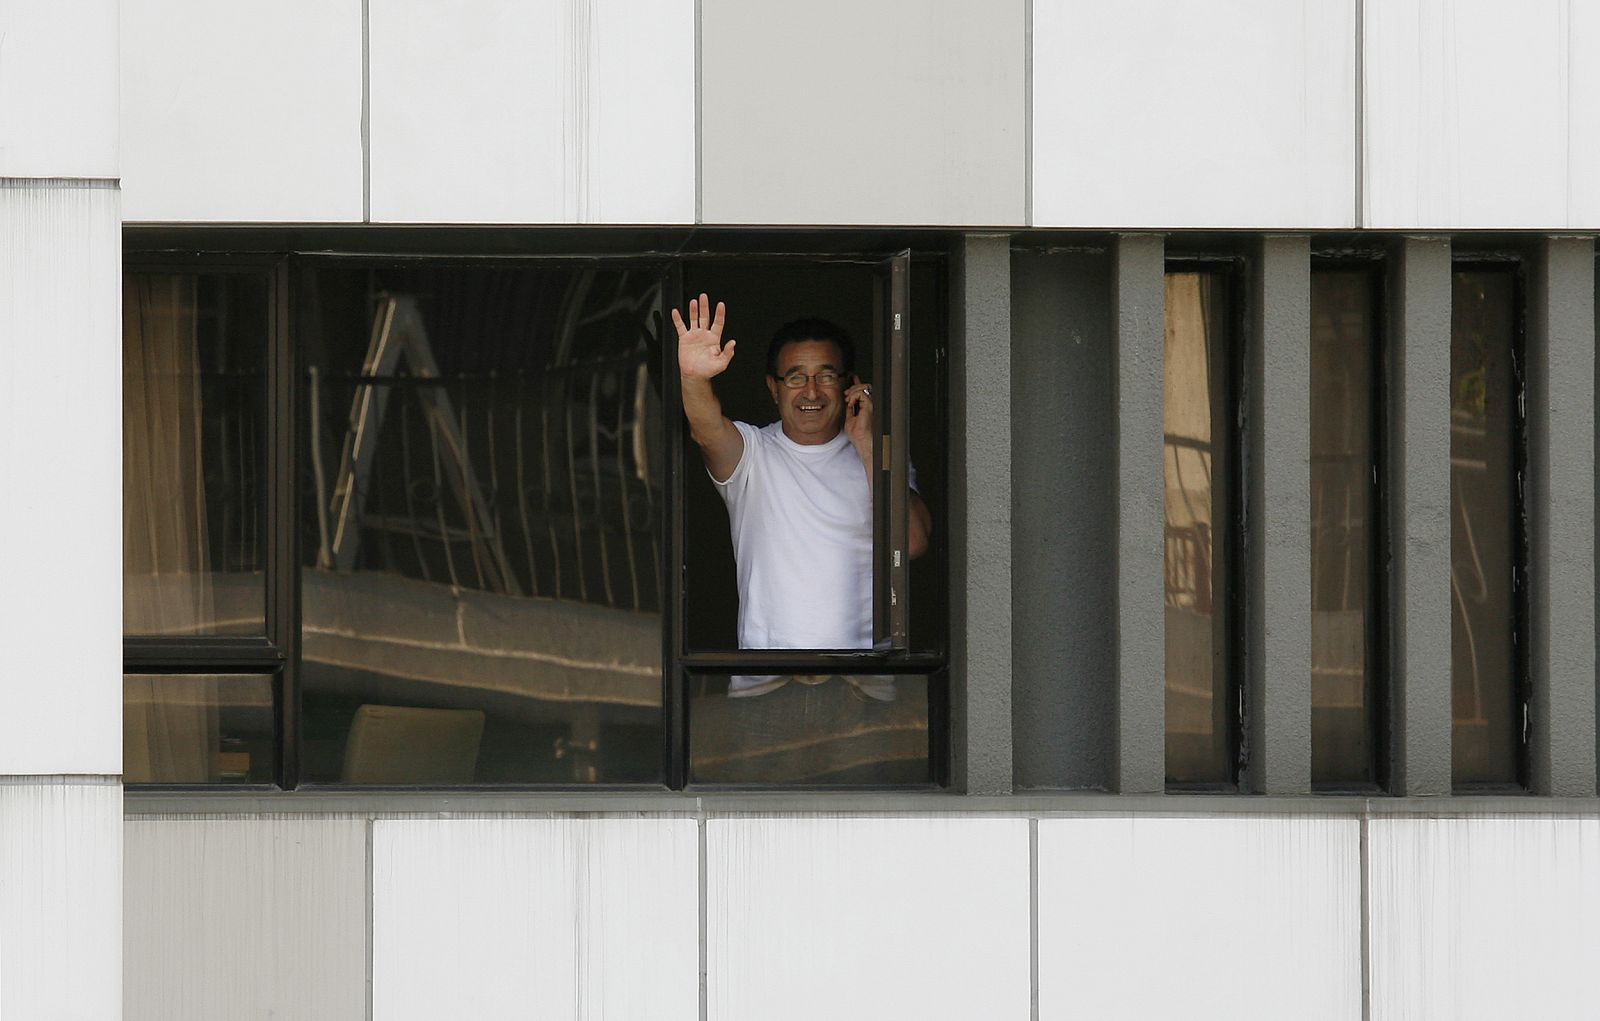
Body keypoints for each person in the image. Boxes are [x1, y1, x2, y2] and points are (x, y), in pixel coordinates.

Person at [675, 293, 934, 782]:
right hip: (767, 687)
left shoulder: (880, 457)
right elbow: (708, 428)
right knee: (759, 834)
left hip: (866, 687)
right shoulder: (754, 452)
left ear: (851, 385)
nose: (811, 390)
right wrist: (694, 377)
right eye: (796, 376)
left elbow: (915, 542)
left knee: (866, 830)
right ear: (774, 388)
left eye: (826, 375)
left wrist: (867, 444)